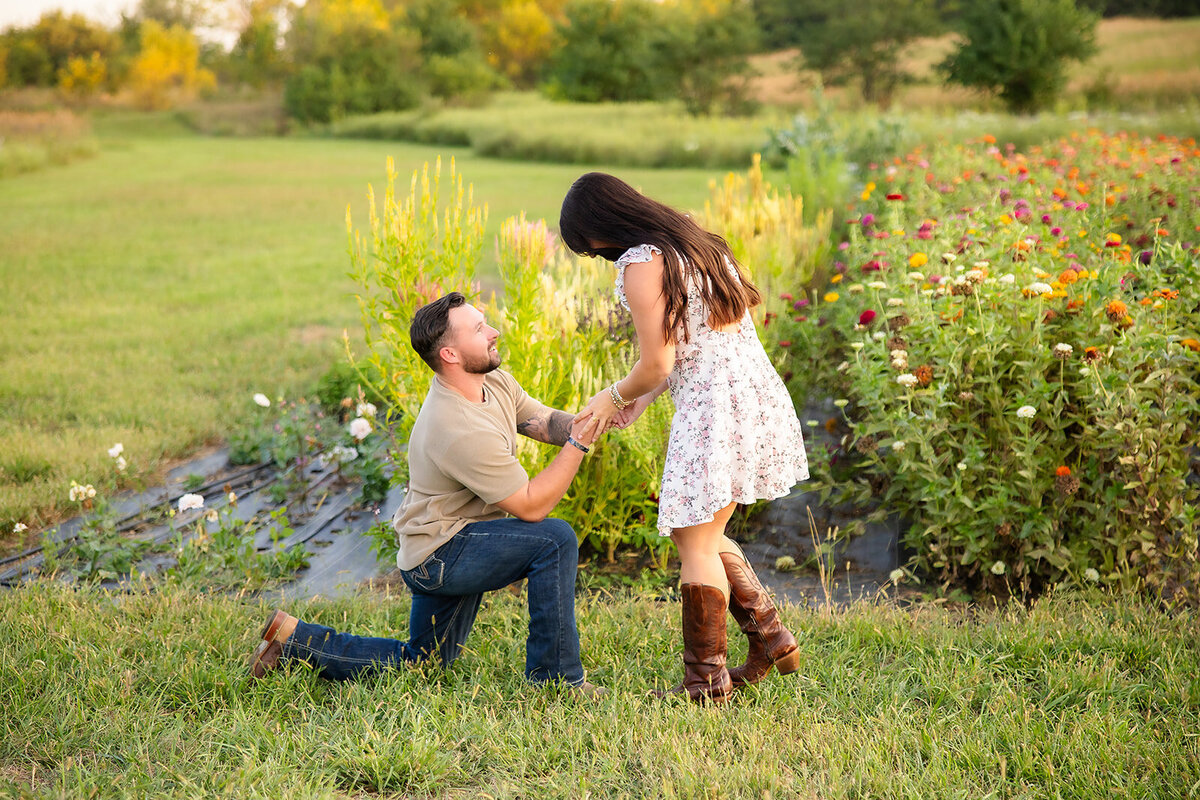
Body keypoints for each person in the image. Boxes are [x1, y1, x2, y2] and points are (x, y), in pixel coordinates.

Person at [249, 292, 605, 697]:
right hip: (440, 555)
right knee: (554, 540)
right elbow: (531, 505)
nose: (494, 332)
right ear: (451, 354)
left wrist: (594, 418)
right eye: (478, 329)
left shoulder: (494, 381)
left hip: (455, 538)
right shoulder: (455, 425)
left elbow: (541, 422)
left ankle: (293, 640)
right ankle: (557, 680)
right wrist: (579, 443)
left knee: (423, 665)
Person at [561, 173, 809, 703]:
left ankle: (706, 685)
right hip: (751, 394)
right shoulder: (695, 241)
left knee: (694, 541)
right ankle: (770, 639)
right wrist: (639, 400)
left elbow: (657, 362)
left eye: (591, 248)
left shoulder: (640, 263)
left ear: (600, 229)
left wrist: (613, 396)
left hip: (714, 409)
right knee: (698, 533)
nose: (599, 257)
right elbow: (691, 340)